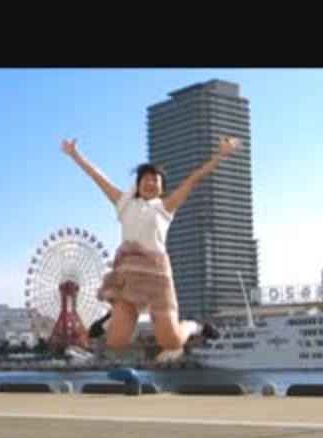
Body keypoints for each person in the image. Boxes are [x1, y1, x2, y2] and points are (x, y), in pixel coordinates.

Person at [61, 136, 240, 362]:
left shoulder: (165, 207)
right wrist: (75, 155)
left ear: (162, 187)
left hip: (157, 277)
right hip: (128, 275)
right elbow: (97, 177)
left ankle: (194, 325)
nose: (150, 183)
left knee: (172, 342)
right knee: (116, 341)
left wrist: (220, 156)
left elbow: (194, 179)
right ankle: (110, 320)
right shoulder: (123, 203)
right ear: (137, 184)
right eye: (146, 179)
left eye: (156, 180)